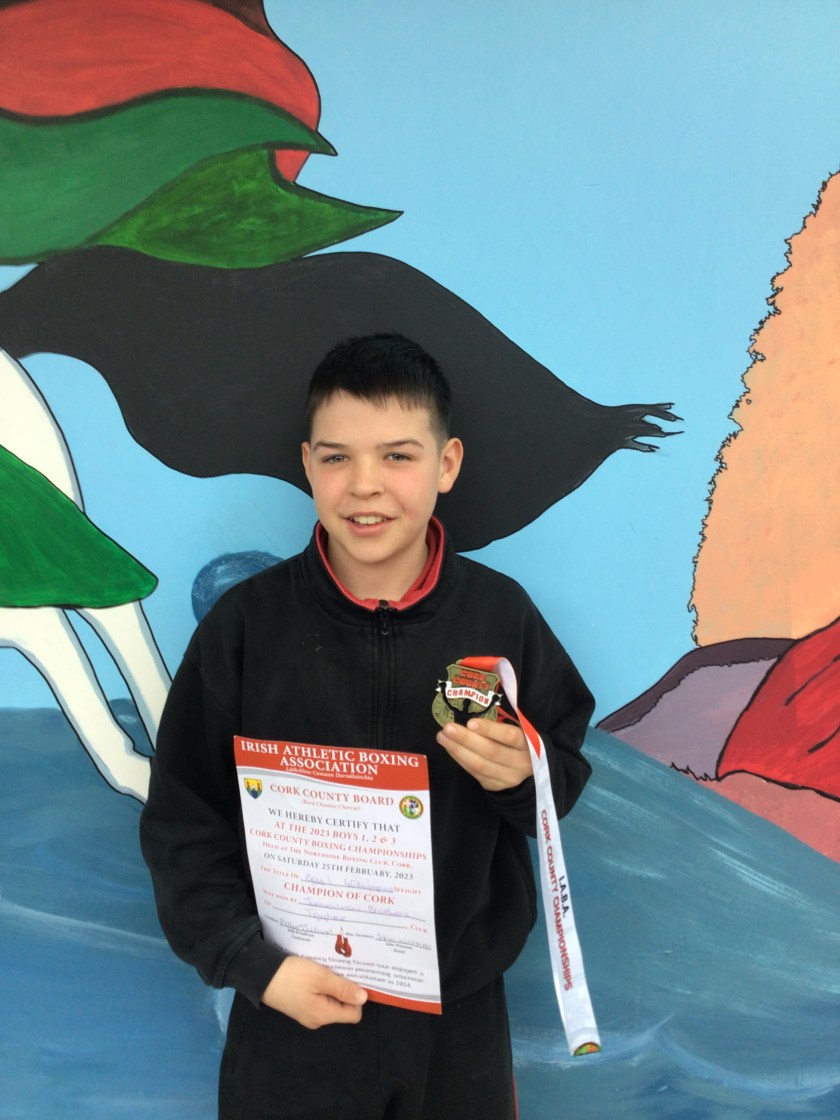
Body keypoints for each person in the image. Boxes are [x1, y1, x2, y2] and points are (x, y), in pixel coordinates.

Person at [140, 333, 594, 1120]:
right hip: (289, 1015)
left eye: (398, 456)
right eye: (337, 458)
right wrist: (255, 967)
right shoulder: (245, 629)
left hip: (458, 1027)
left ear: (447, 464)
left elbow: (563, 775)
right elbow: (184, 823)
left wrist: (526, 776)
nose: (365, 485)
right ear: (306, 464)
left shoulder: (501, 617)